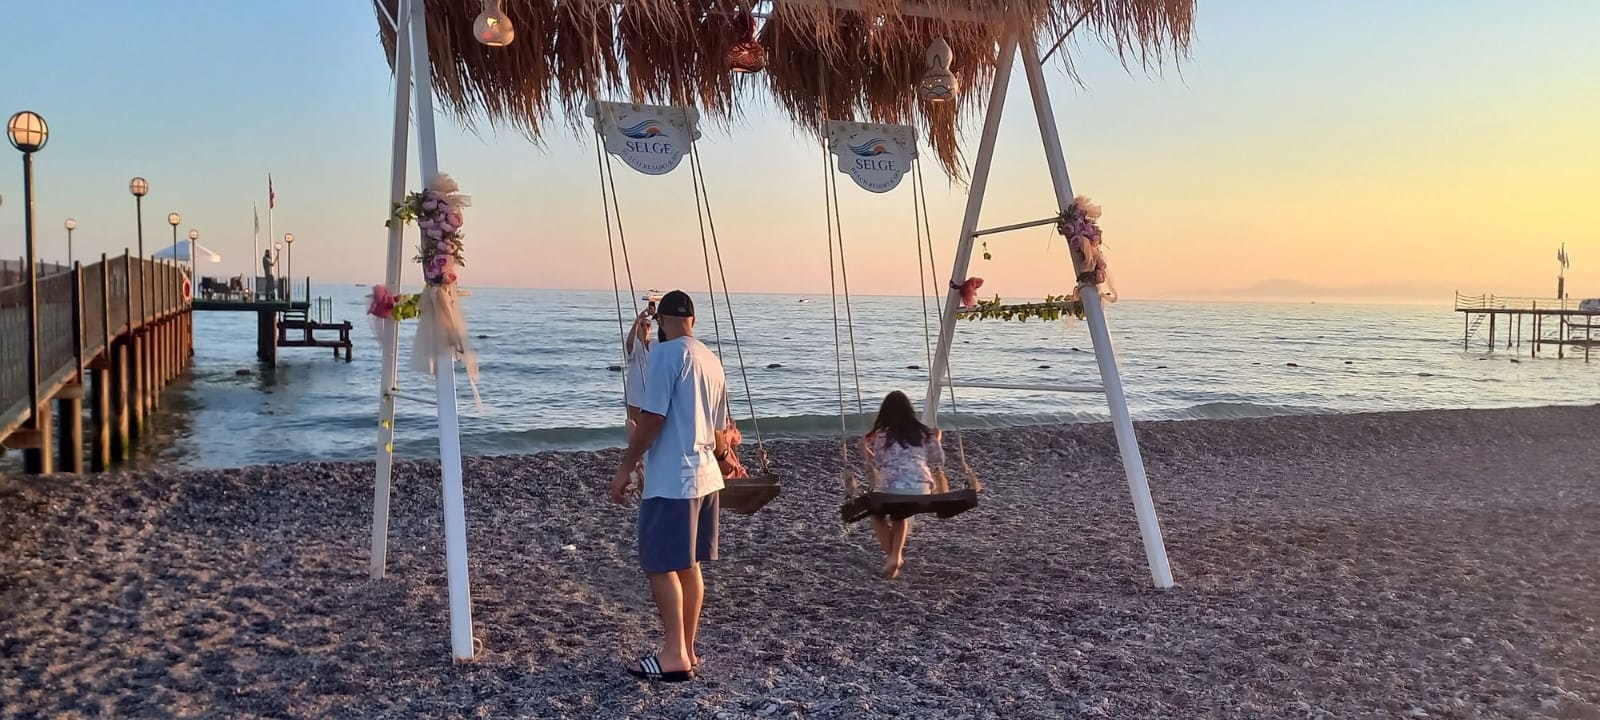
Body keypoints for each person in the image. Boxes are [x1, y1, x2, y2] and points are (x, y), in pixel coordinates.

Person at [610, 290, 739, 683]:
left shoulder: (666, 355)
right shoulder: (712, 360)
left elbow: (652, 419)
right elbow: (720, 432)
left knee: (659, 564)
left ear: (663, 322)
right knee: (688, 564)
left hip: (672, 479)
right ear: (693, 321)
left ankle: (673, 654)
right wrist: (725, 458)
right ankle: (687, 648)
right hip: (705, 478)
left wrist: (626, 465)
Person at [861, 390, 945, 580]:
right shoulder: (924, 433)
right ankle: (894, 558)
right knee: (900, 515)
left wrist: (864, 450)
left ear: (886, 413)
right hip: (921, 489)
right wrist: (937, 440)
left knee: (877, 515)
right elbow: (937, 460)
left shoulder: (883, 435)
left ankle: (893, 557)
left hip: (891, 489)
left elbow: (880, 463)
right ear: (910, 411)